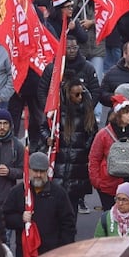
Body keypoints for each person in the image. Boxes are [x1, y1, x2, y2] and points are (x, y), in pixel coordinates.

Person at [4, 152, 76, 257]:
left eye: (42, 171)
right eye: (35, 171)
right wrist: (20, 219)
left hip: (52, 255)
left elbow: (68, 224)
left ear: (47, 171)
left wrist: (63, 251)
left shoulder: (58, 193)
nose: (38, 174)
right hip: (25, 254)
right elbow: (5, 218)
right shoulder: (17, 192)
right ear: (28, 170)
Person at [51, 78, 99, 214]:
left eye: (81, 94)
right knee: (57, 206)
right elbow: (44, 127)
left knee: (72, 207)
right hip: (59, 166)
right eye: (76, 94)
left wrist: (85, 148)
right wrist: (49, 139)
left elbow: (93, 133)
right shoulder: (57, 113)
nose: (80, 97)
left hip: (77, 166)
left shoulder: (87, 113)